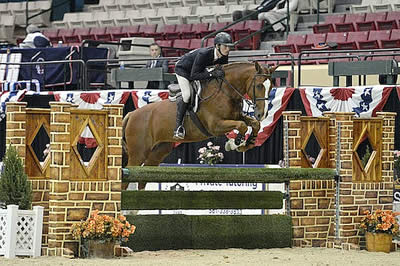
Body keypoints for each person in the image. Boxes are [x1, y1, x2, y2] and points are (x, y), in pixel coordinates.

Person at [173, 32, 234, 140]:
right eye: (225, 46)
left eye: (229, 47)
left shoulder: (224, 56)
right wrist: (212, 74)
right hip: (184, 70)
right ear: (217, 46)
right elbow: (194, 75)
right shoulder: (204, 54)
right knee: (187, 95)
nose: (228, 49)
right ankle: (178, 127)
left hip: (199, 70)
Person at [233, 0, 299, 32]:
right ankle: (236, 29)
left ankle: (247, 30)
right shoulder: (280, 1)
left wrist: (275, 11)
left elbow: (290, 9)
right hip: (263, 11)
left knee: (246, 12)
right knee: (236, 13)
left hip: (285, 15)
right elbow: (274, 7)